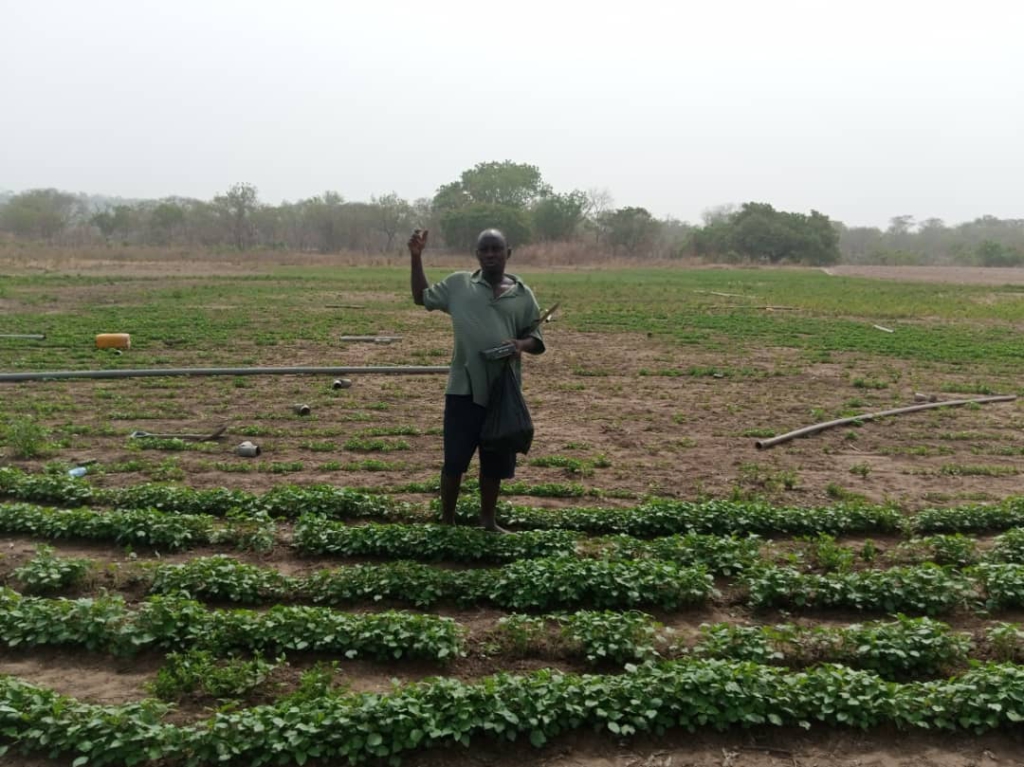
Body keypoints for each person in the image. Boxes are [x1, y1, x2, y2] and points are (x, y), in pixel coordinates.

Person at [409, 227, 546, 532]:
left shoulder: (524, 295)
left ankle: (488, 520)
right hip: (463, 390)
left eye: (496, 249)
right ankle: (447, 521)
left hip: (502, 393)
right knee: (455, 460)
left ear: (508, 253)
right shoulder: (459, 285)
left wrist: (520, 345)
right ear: (477, 254)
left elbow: (536, 340)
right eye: (484, 250)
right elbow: (421, 297)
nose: (490, 255)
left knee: (494, 462)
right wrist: (416, 257)